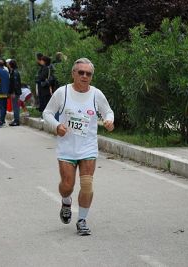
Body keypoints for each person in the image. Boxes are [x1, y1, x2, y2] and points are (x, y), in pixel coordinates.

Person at [43, 58, 114, 236]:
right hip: (67, 147)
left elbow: (108, 111)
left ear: (91, 76)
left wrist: (109, 121)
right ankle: (66, 201)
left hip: (88, 147)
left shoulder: (96, 94)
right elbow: (47, 112)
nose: (84, 76)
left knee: (87, 184)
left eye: (88, 74)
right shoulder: (63, 92)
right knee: (67, 185)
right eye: (80, 72)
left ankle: (82, 220)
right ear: (73, 73)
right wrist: (56, 126)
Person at [8, 59, 22, 126]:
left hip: (15, 93)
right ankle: (15, 119)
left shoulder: (15, 72)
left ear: (11, 65)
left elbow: (15, 83)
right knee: (15, 106)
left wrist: (13, 92)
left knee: (15, 106)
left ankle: (16, 121)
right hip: (15, 92)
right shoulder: (13, 71)